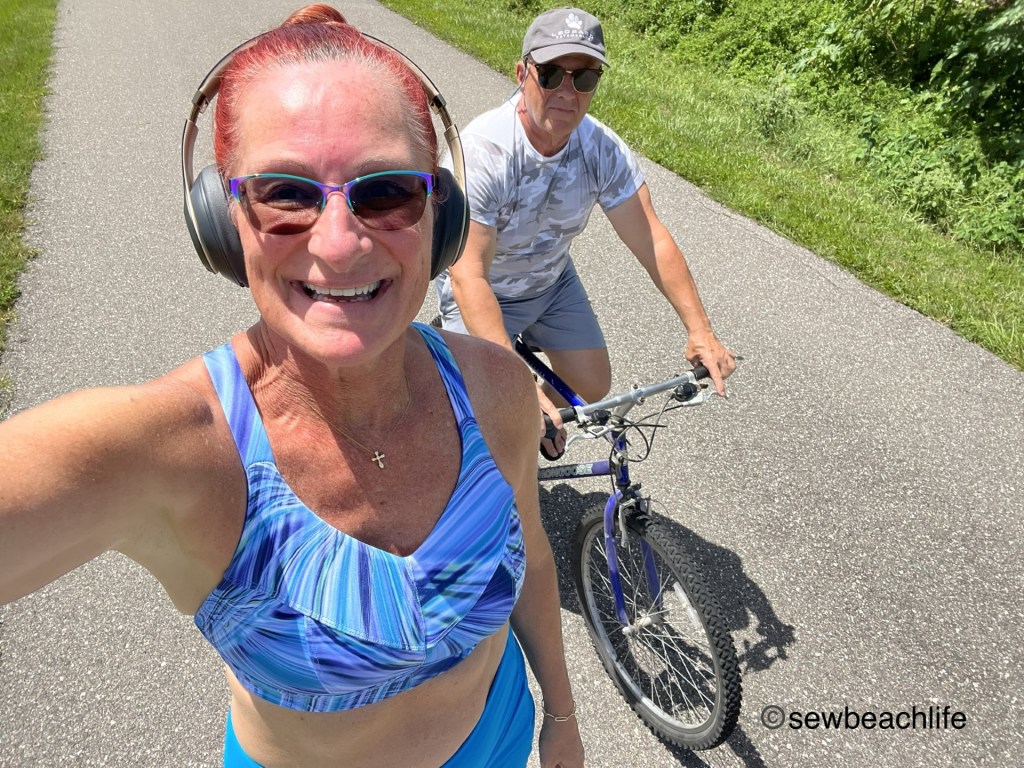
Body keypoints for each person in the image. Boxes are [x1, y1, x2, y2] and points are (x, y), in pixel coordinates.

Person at [0, 5, 585, 768]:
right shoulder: (172, 451)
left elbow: (531, 557)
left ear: (440, 214)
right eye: (285, 193)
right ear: (223, 221)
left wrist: (562, 717)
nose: (340, 245)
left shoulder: (495, 386)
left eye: (387, 192)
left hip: (501, 734)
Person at [434, 7, 736, 458]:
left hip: (550, 281)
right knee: (496, 424)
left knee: (592, 384)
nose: (567, 92)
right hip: (484, 289)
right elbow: (468, 275)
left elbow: (651, 238)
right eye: (551, 74)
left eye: (585, 78)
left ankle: (541, 416)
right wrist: (516, 387)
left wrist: (701, 330)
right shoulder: (484, 153)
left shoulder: (601, 149)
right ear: (522, 73)